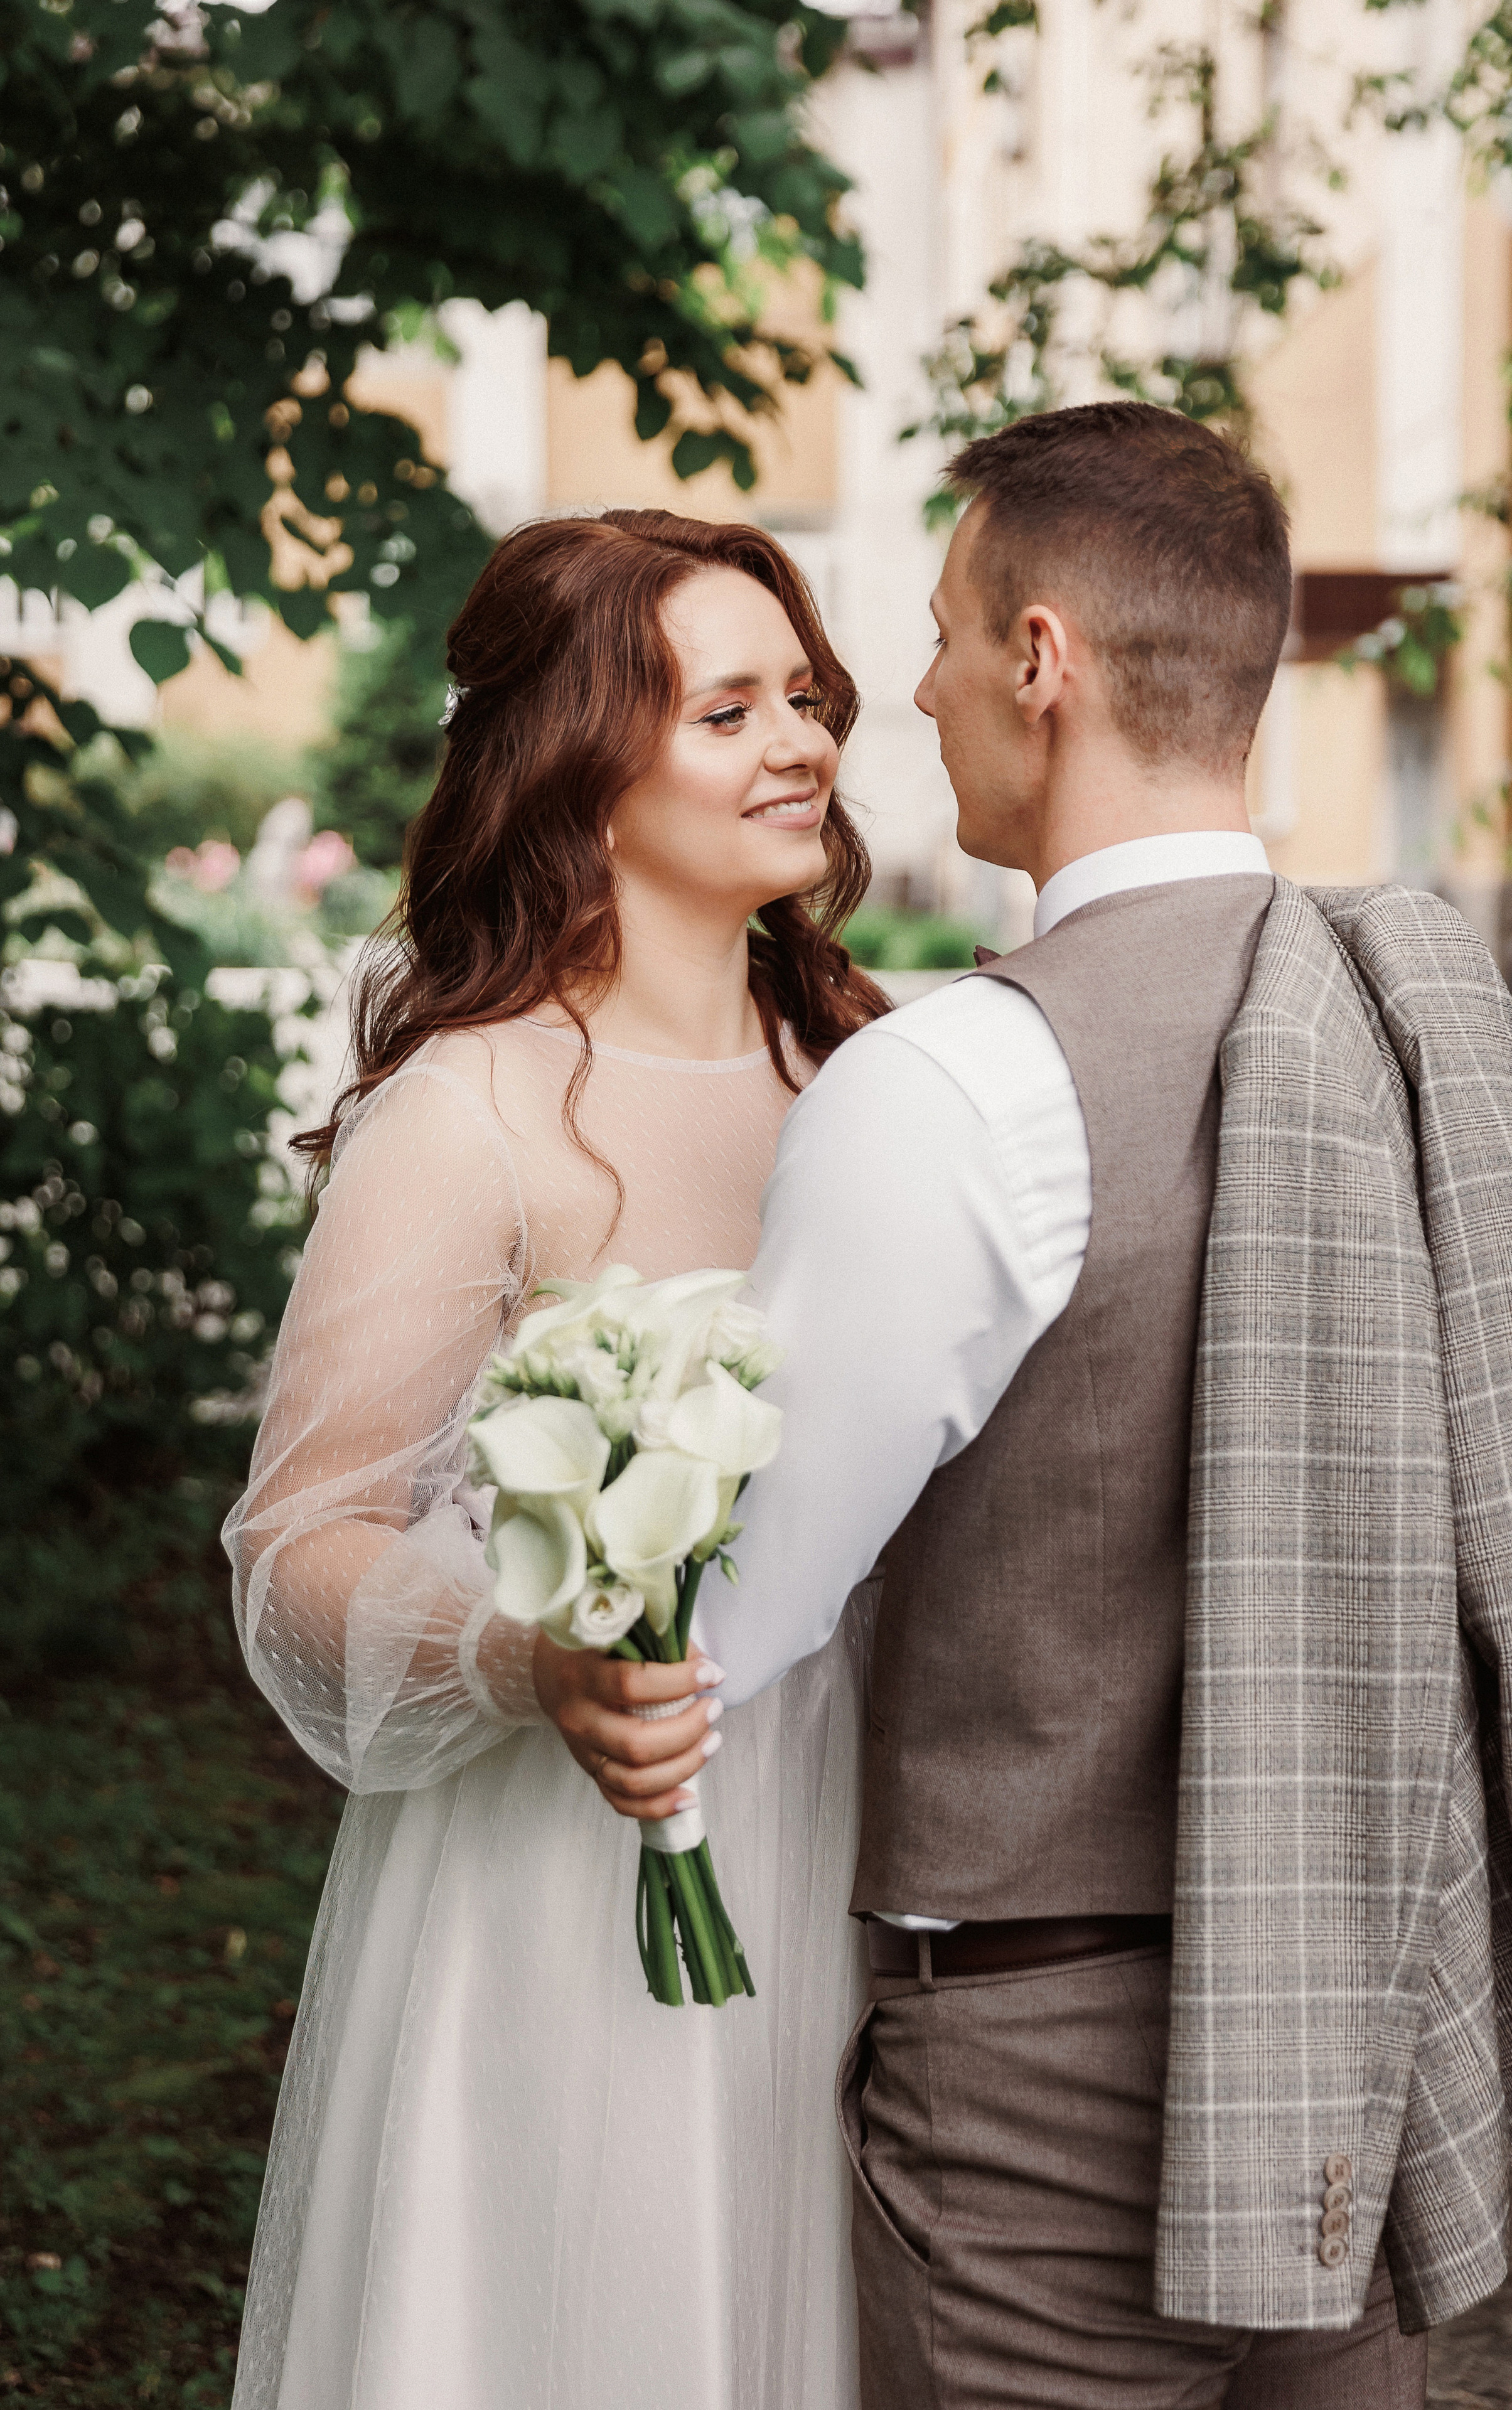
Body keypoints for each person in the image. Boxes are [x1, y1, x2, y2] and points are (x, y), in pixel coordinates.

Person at [561, 402, 1512, 2408]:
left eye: (943, 635)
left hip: (1037, 2090)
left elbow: (736, 1622)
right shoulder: (1413, 1030)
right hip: (1348, 2031)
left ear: (1039, 660)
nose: (919, 697)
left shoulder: (952, 1085)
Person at [223, 508, 886, 2410]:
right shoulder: (472, 1108)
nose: (805, 742)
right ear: (586, 767)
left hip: (845, 1839)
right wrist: (541, 1662)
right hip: (563, 1873)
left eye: (810, 693)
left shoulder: (867, 1075)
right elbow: (302, 1548)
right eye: (731, 705)